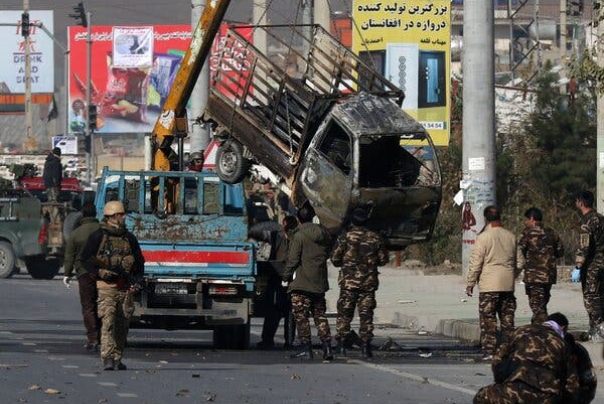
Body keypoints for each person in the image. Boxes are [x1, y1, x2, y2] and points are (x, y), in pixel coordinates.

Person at [81, 201, 145, 371]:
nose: (124, 218)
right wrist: (100, 272)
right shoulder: (97, 236)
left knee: (122, 325)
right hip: (105, 287)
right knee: (108, 322)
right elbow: (86, 259)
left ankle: (118, 357)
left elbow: (139, 261)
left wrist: (137, 281)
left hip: (124, 288)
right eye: (121, 215)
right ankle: (107, 357)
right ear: (112, 217)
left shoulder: (129, 238)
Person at [473, 312, 573, 404]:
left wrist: (503, 382)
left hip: (515, 392)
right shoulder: (562, 343)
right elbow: (572, 383)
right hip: (547, 397)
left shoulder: (519, 331)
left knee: (482, 396)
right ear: (563, 328)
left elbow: (497, 364)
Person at [330, 207, 389, 358]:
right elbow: (383, 260)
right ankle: (365, 347)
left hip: (348, 284)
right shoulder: (375, 238)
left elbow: (335, 259)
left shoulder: (345, 237)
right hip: (368, 284)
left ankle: (342, 345)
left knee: (344, 314)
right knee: (366, 316)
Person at [466, 205, 519, 360]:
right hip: (508, 285)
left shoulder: (483, 237)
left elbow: (476, 263)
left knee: (488, 320)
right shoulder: (511, 236)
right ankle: (508, 351)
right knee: (507, 321)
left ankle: (490, 351)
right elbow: (520, 262)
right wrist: (511, 274)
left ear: (485, 219)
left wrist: (471, 283)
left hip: (489, 285)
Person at [283, 204, 333, 361]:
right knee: (320, 315)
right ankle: (327, 347)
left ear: (298, 219)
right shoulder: (324, 234)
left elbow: (293, 260)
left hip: (302, 282)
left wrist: (286, 277)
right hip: (319, 281)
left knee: (301, 316)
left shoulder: (299, 236)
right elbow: (329, 252)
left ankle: (306, 348)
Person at [250, 215, 298, 349]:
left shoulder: (293, 237)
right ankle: (270, 340)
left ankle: (283, 341)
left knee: (285, 311)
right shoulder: (276, 236)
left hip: (287, 278)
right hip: (278, 277)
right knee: (277, 310)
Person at [63, 202, 101, 352]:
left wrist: (67, 274)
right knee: (103, 305)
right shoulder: (103, 231)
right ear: (95, 214)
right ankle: (104, 336)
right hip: (102, 273)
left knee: (88, 306)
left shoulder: (76, 233)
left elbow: (69, 256)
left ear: (83, 215)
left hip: (83, 273)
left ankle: (92, 339)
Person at [517, 207, 564, 324]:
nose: (525, 222)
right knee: (542, 303)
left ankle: (542, 331)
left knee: (537, 305)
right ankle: (539, 325)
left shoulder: (527, 233)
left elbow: (520, 250)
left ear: (532, 219)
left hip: (534, 276)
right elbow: (560, 252)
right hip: (549, 275)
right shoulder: (552, 232)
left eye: (526, 219)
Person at [573, 190, 604, 341]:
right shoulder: (601, 219)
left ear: (581, 202)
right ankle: (596, 329)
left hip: (592, 266)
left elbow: (584, 247)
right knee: (601, 296)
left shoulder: (587, 222)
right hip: (603, 264)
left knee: (592, 298)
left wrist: (578, 266)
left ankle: (598, 329)